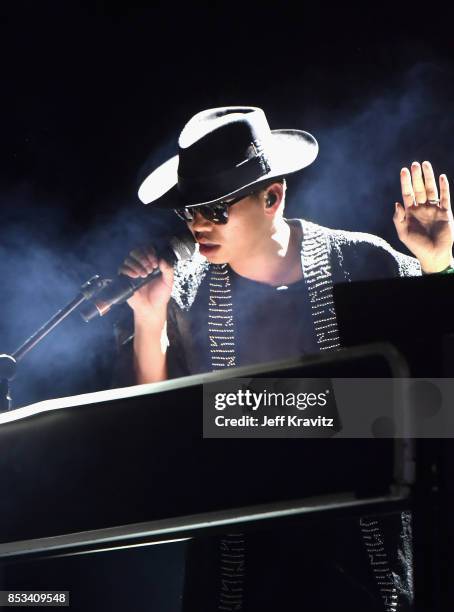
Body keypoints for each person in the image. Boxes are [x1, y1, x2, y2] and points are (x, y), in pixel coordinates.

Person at [116, 106, 454, 611]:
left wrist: (436, 264)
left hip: (358, 559)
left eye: (216, 209)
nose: (199, 225)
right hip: (241, 563)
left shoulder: (364, 261)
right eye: (190, 212)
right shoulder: (183, 292)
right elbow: (159, 432)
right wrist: (148, 318)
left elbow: (436, 401)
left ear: (272, 196)